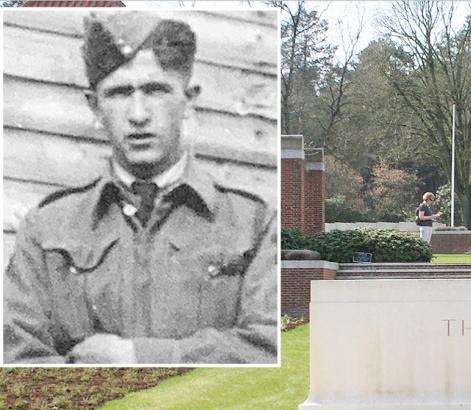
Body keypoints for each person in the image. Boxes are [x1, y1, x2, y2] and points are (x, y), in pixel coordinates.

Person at [3, 12, 277, 365]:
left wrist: (139, 357)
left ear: (189, 99)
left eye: (155, 90)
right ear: (94, 107)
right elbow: (18, 356)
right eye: (118, 93)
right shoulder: (47, 228)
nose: (138, 114)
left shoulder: (254, 225)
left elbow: (269, 346)